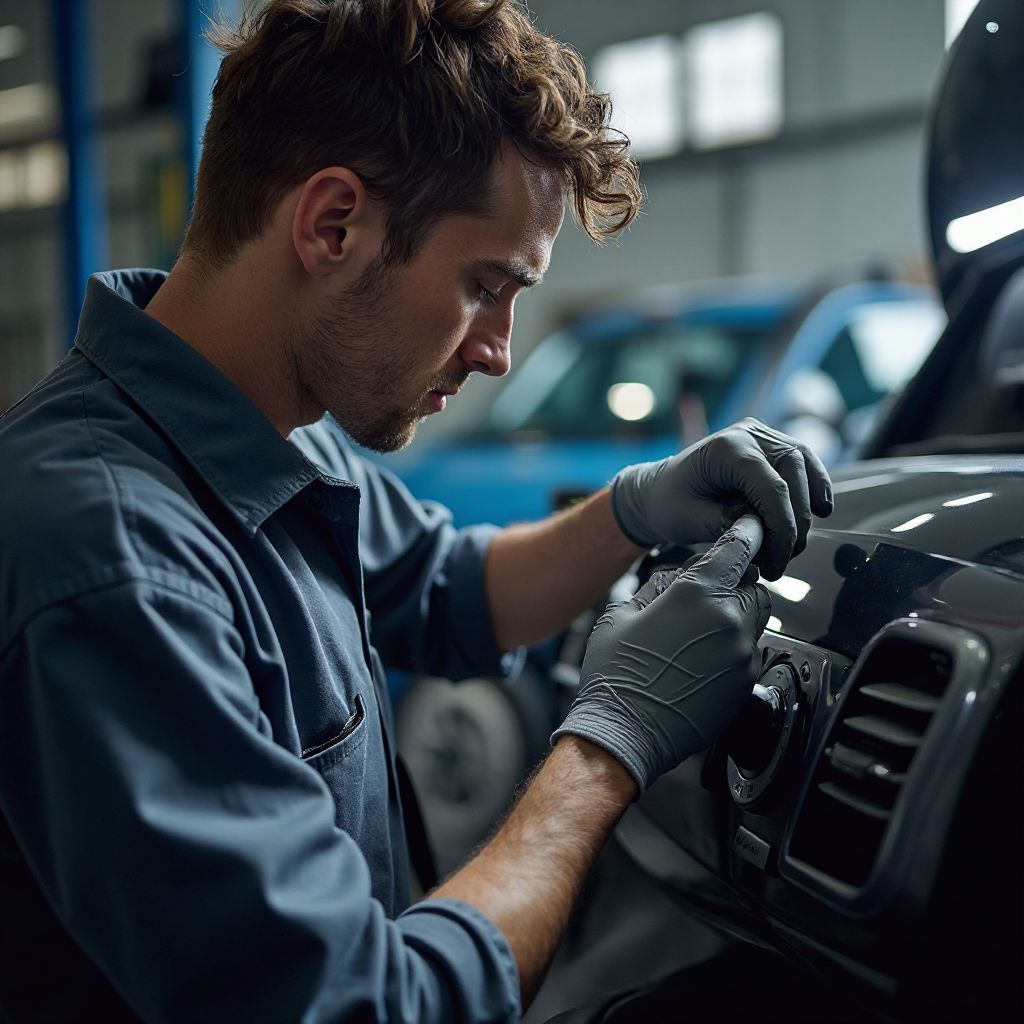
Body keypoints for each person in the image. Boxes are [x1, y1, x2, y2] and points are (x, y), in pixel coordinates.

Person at [0, 1, 833, 1020]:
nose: (497, 351)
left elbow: (450, 586)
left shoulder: (274, 425)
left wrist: (632, 510)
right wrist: (606, 742)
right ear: (332, 222)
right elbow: (359, 1005)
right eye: (486, 285)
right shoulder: (114, 559)